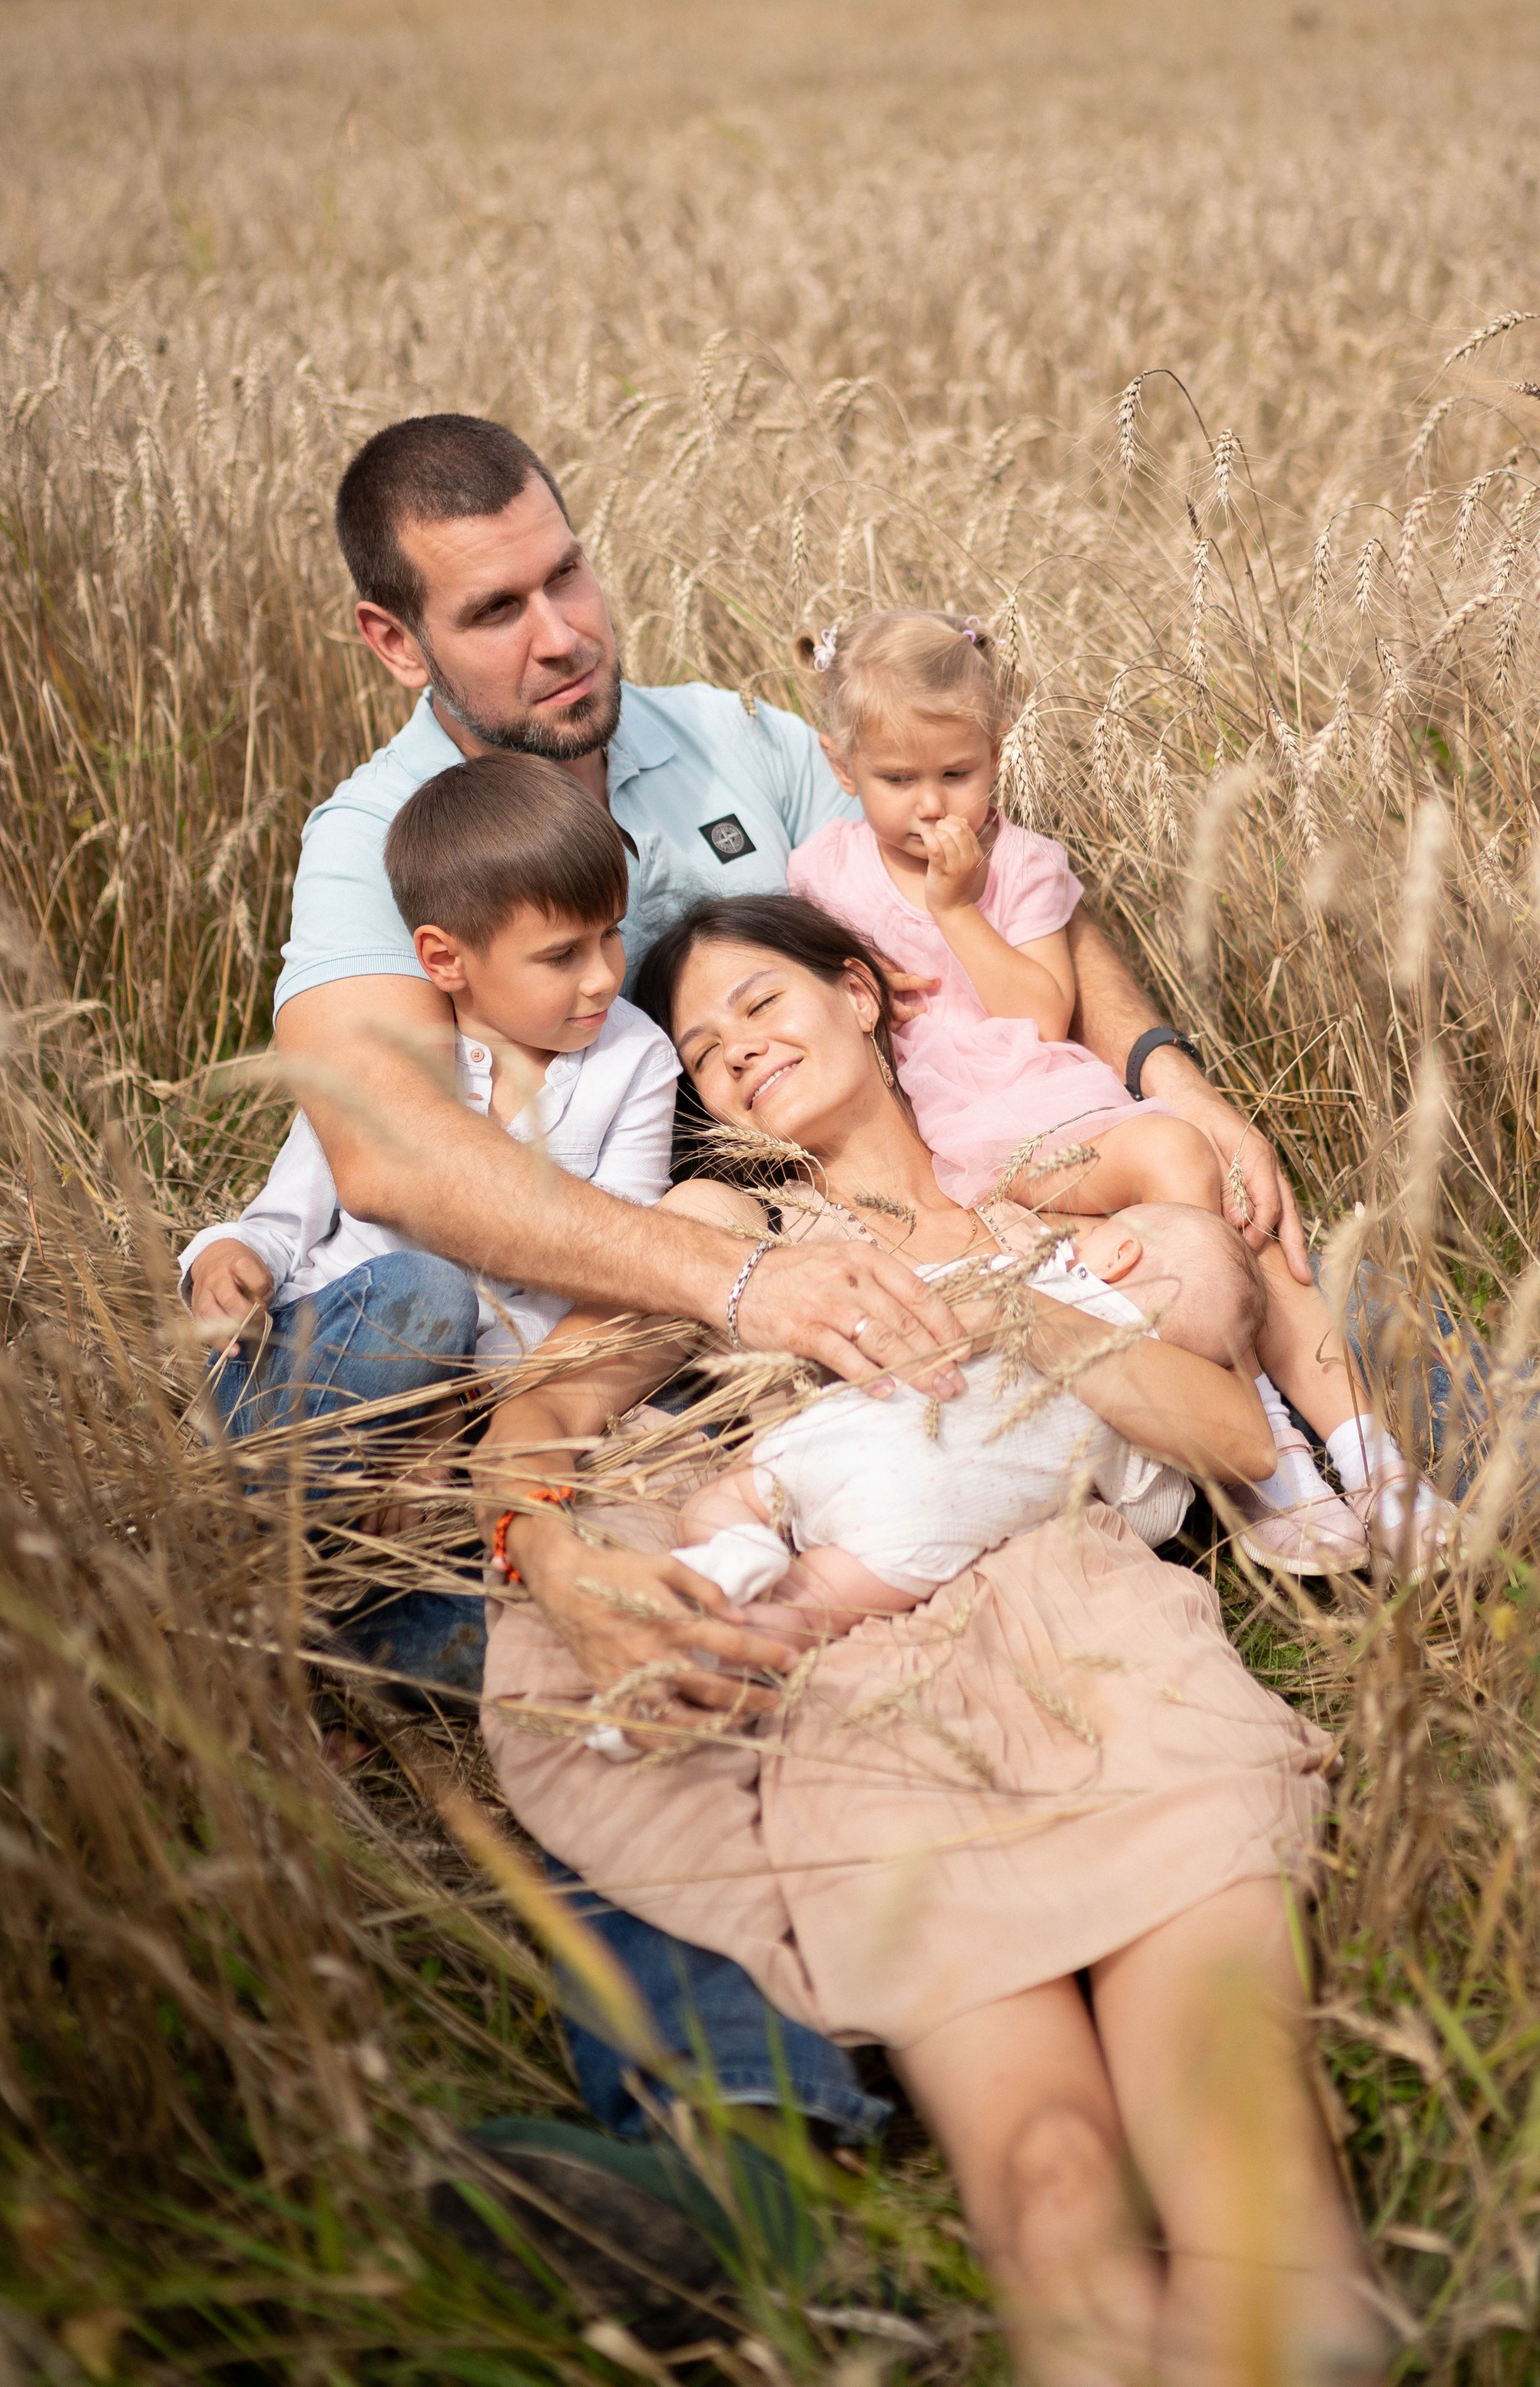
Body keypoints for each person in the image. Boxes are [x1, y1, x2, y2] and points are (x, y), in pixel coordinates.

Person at [249, 409, 1335, 2259]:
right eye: (495, 609)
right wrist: (720, 1302)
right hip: (647, 1306)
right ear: (393, 639)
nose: (560, 631)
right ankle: (729, 2143)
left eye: (567, 572)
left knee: (1290, 1269)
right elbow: (387, 1149)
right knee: (607, 1647)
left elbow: (979, 882)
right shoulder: (382, 847)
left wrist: (1162, 1073)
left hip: (919, 1261)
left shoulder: (738, 746)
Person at [475, 893, 1394, 2387]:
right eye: (702, 1052)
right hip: (869, 1699)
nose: (735, 1053)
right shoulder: (735, 1236)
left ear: (859, 991)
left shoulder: (1043, 1205)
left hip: (1104, 1641)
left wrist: (1029, 1318)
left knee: (1253, 2159)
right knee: (1048, 2192)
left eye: (760, 1005)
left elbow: (1233, 1436)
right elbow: (548, 1408)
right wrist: (550, 1550)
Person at [787, 607, 1452, 1566]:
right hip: (963, 1135)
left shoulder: (1020, 865)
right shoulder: (824, 873)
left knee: (1239, 1215)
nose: (931, 805)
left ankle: (1375, 1467)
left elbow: (1040, 1009)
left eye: (956, 774)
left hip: (1052, 1095)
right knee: (1183, 1153)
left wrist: (957, 912)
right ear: (842, 767)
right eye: (898, 780)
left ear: (997, 754)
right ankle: (1269, 1454)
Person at [181, 754, 677, 1490]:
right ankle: (273, 1475)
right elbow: (282, 1223)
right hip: (317, 1359)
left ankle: (330, 1520)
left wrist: (458, 1397)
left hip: (488, 1391)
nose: (605, 975)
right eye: (562, 955)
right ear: (445, 959)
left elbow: (608, 1273)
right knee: (428, 1285)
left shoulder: (636, 1059)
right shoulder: (393, 1057)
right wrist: (224, 1260)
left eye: (611, 933)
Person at [662, 1198, 1272, 1637]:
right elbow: (1154, 1517)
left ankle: (736, 1549)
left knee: (725, 1497)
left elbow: (915, 1298)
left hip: (847, 1434)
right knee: (808, 1609)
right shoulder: (1143, 1428)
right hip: (924, 1525)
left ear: (1121, 1253)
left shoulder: (1015, 1275)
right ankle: (730, 1639)